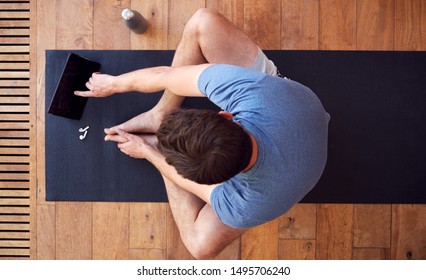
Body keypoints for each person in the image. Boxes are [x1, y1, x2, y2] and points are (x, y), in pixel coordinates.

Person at [75, 8, 330, 259]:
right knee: (202, 22)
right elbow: (166, 75)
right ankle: (159, 115)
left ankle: (162, 141)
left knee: (199, 247)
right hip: (292, 105)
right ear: (226, 115)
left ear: (225, 113)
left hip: (297, 142)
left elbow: (188, 183)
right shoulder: (246, 90)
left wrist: (150, 152)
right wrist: (114, 84)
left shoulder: (242, 204)